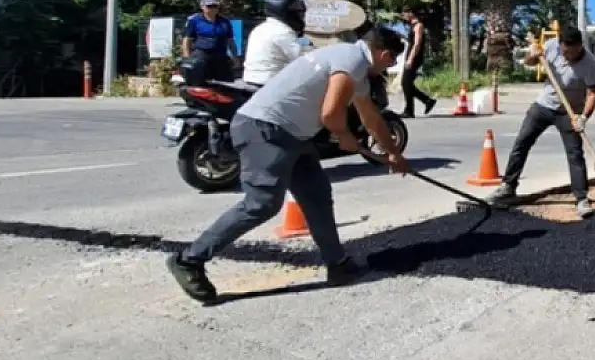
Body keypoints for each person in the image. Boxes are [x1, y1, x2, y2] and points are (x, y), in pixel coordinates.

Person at [166, 28, 411, 304]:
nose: (387, 69)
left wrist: (394, 155)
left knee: (317, 195)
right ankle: (189, 260)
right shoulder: (352, 61)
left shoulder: (351, 65)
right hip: (265, 128)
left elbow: (371, 119)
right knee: (262, 203)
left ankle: (338, 265)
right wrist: (344, 137)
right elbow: (330, 114)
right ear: (385, 54)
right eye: (390, 63)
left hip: (294, 134)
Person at [490, 26, 595, 218]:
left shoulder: (589, 63)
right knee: (522, 143)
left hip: (569, 112)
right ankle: (508, 186)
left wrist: (583, 118)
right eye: (564, 51)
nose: (566, 56)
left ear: (580, 46)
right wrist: (534, 55)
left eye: (571, 52)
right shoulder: (550, 46)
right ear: (560, 45)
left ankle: (581, 199)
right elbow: (530, 62)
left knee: (575, 154)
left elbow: (592, 94)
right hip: (543, 106)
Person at [242, 0, 307, 87]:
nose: (300, 17)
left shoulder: (260, 28)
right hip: (269, 82)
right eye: (297, 13)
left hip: (250, 78)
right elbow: (301, 60)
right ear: (287, 13)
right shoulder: (283, 31)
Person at [181, 0, 239, 86]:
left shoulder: (225, 22)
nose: (213, 8)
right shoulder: (194, 21)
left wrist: (235, 58)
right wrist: (187, 58)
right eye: (209, 6)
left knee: (227, 84)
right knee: (198, 83)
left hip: (220, 55)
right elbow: (186, 40)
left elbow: (230, 41)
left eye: (215, 6)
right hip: (201, 55)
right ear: (202, 7)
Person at [399, 6, 436, 118]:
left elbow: (417, 44)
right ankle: (427, 101)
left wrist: (410, 59)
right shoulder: (412, 26)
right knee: (407, 84)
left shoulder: (418, 25)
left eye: (405, 13)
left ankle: (410, 110)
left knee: (405, 83)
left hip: (415, 57)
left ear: (411, 13)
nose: (403, 16)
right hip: (410, 56)